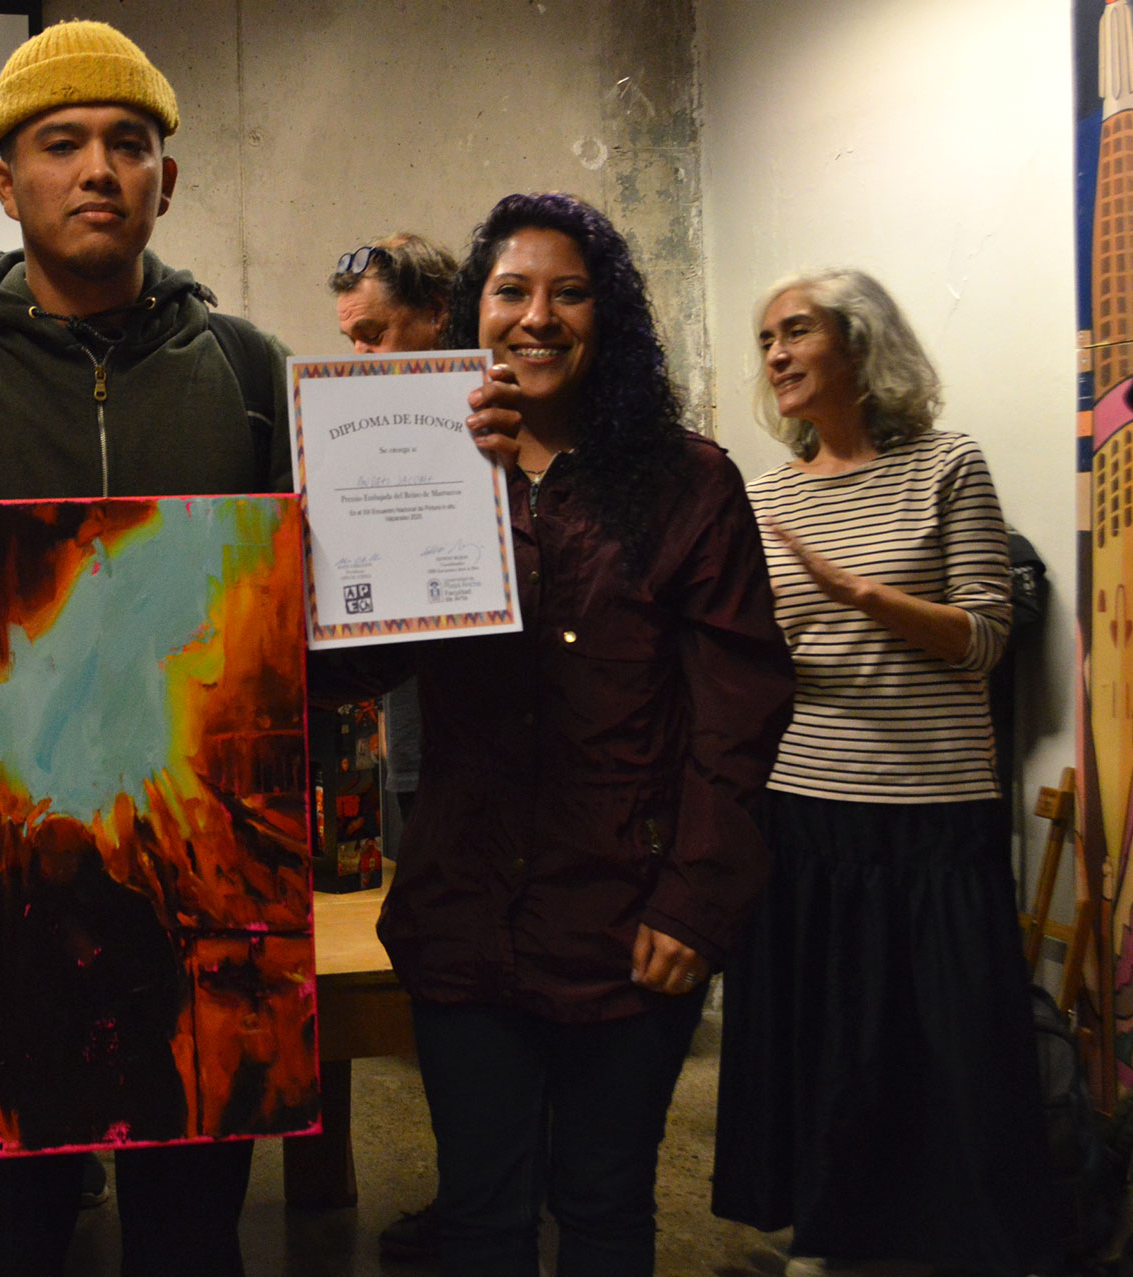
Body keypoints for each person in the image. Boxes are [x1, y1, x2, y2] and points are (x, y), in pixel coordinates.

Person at [0, 19, 289, 1276]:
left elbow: (320, 629)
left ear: (166, 182)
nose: (98, 170)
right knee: (1, 1234)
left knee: (192, 1236)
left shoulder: (248, 374)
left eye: (129, 144)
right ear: (5, 181)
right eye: (61, 143)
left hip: (198, 892)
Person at [317, 192, 794, 1276]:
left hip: (629, 926)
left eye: (569, 293)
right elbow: (346, 671)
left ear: (605, 315)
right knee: (482, 1218)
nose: (538, 316)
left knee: (604, 1207)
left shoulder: (688, 484)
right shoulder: (432, 466)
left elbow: (739, 712)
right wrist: (348, 520)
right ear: (472, 315)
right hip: (464, 919)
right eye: (512, 291)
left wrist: (697, 899)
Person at [711, 270, 1056, 1275]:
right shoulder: (765, 494)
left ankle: (970, 1243)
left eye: (797, 331)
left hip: (932, 805)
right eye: (765, 338)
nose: (776, 354)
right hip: (806, 806)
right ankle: (833, 1231)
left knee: (950, 1046)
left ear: (860, 345)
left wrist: (857, 591)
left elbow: (984, 636)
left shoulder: (947, 466)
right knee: (833, 1040)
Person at [327, 231, 457, 1263]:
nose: (361, 358)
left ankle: (516, 1189)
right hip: (419, 728)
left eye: (374, 335)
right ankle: (477, 1189)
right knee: (445, 973)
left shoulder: (505, 425)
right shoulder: (363, 435)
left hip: (521, 746)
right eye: (350, 341)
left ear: (437, 317)